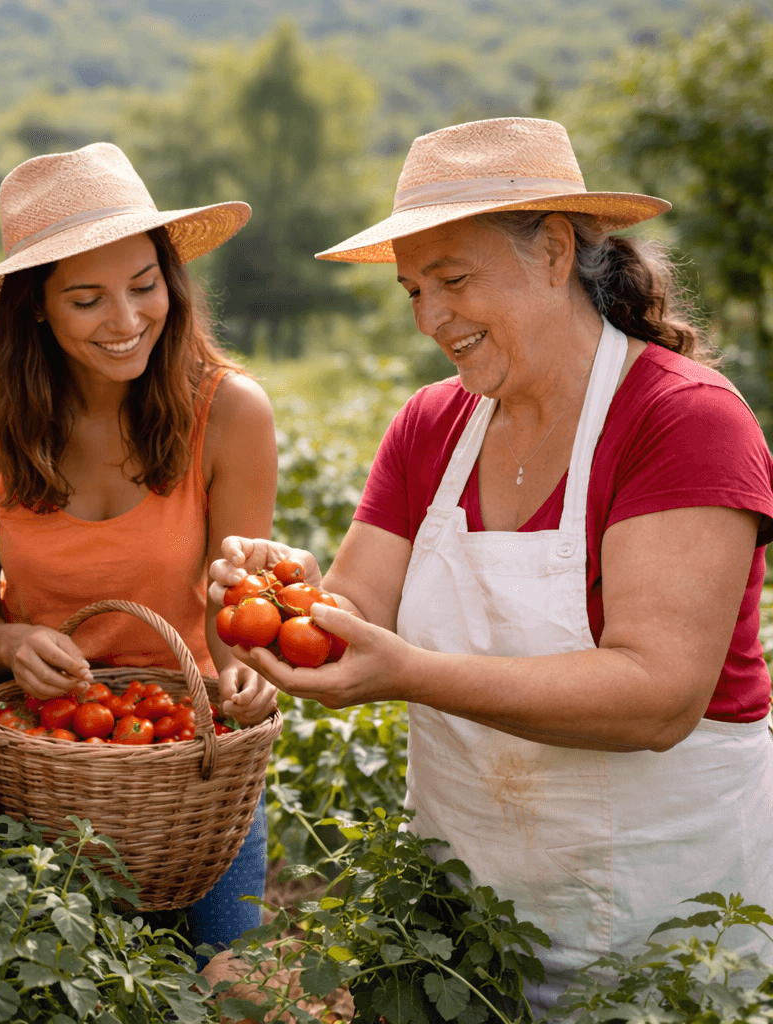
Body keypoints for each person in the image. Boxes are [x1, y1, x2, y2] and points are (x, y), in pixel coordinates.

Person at [210, 117, 773, 1009]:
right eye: (412, 292)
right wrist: (276, 592)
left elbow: (659, 697)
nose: (432, 318)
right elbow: (354, 607)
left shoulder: (683, 420)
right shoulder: (434, 425)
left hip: (661, 937)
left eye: (454, 279)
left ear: (553, 251)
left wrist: (413, 675)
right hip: (465, 934)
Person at [0, 142, 279, 951]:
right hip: (42, 749)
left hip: (190, 755)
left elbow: (241, 608)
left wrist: (243, 673)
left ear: (172, 283)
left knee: (232, 976)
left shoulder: (230, 413)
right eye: (87, 299)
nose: (127, 322)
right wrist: (15, 640)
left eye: (144, 286)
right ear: (36, 310)